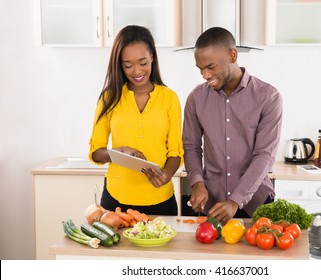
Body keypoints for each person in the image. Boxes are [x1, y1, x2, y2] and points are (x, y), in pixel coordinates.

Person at [183, 27, 283, 224]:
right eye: (200, 69)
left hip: (256, 206)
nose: (205, 74)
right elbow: (191, 146)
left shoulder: (269, 97)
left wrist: (236, 200)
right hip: (212, 207)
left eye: (211, 67)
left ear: (233, 55)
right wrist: (196, 183)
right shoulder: (196, 98)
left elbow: (265, 155)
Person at [89, 25, 183, 215]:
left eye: (143, 62)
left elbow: (176, 151)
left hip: (160, 199)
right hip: (116, 200)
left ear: (152, 58)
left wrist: (166, 175)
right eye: (128, 65)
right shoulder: (109, 98)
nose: (137, 71)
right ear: (119, 65)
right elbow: (95, 152)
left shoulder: (169, 98)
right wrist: (121, 152)